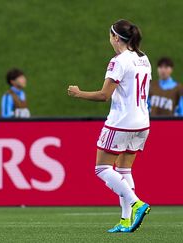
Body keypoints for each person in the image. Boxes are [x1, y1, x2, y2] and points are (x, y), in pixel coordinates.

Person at [67, 19, 151, 233]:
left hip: (121, 122)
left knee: (102, 168)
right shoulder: (144, 59)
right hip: (142, 123)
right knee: (124, 169)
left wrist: (78, 93)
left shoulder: (118, 61)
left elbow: (104, 95)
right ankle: (125, 221)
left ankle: (136, 203)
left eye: (110, 36)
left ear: (116, 38)